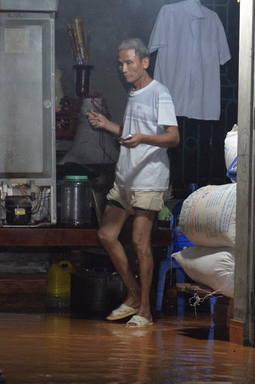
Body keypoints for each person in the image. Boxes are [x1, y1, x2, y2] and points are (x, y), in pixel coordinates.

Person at [86, 38, 180, 328]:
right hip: (125, 179)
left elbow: (173, 137)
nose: (123, 68)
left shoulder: (159, 93)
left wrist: (143, 138)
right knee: (106, 234)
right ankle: (134, 294)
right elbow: (131, 133)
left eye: (128, 62)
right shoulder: (134, 93)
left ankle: (146, 312)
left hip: (149, 181)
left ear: (144, 62)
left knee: (140, 242)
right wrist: (107, 125)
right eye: (120, 63)